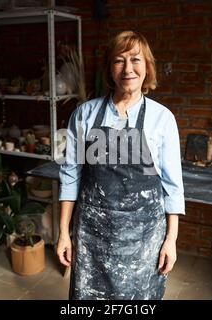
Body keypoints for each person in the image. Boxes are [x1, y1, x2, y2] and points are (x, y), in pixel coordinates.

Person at [57, 30, 185, 300]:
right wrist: (63, 234)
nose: (128, 68)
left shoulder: (162, 119)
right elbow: (70, 176)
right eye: (119, 60)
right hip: (92, 236)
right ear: (110, 69)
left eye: (136, 59)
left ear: (147, 67)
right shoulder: (84, 114)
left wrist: (171, 240)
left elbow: (173, 187)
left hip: (144, 238)